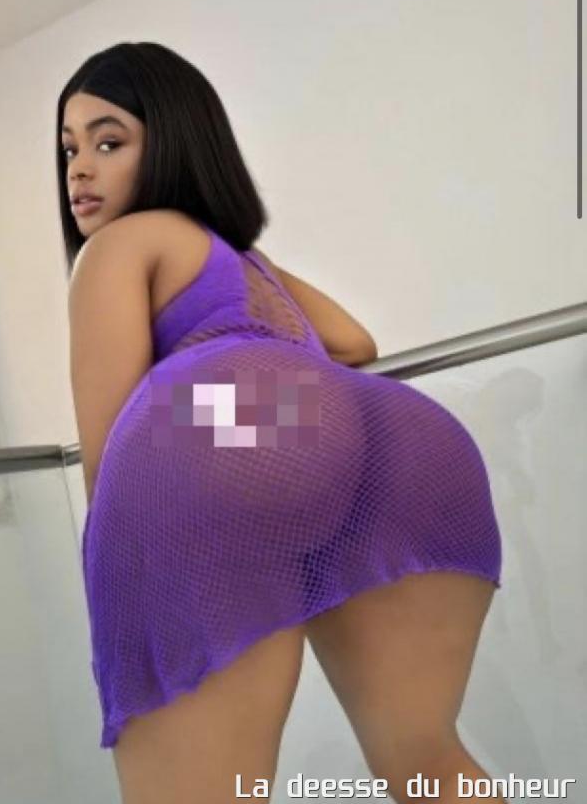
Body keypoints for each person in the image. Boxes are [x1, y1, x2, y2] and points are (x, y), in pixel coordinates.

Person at [57, 41, 505, 804]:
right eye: (69, 150)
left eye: (109, 142)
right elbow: (355, 342)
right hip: (395, 439)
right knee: (425, 760)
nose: (79, 170)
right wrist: (282, 395)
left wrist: (124, 593)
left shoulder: (119, 245)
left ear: (173, 144)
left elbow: (113, 453)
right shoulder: (241, 260)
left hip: (224, 445)